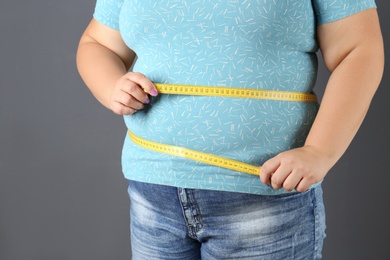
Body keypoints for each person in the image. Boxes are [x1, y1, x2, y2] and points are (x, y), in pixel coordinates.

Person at [76, 0, 383, 259]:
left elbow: (358, 48)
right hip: (153, 194)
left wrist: (320, 151)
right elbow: (98, 44)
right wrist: (112, 86)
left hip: (264, 196)